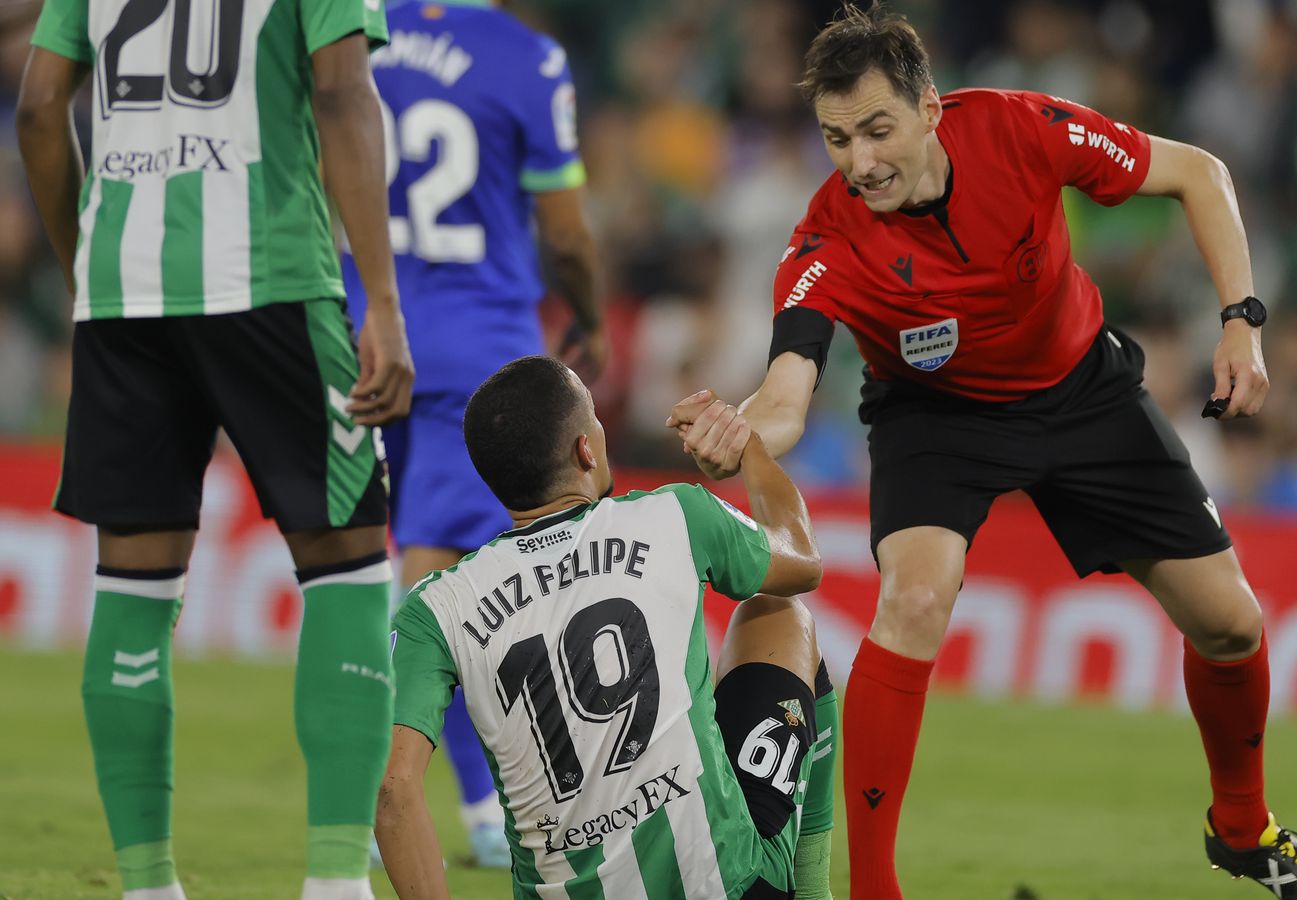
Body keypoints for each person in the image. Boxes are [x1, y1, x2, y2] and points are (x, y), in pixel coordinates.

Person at [667, 4, 1297, 899]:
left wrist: (1242, 321)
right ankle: (873, 889)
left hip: (1083, 389)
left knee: (1232, 624)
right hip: (936, 418)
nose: (861, 161)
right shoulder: (826, 239)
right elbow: (787, 397)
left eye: (878, 129)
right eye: (837, 138)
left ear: (930, 107)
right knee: (911, 600)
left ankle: (1242, 830)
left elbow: (1200, 172)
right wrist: (738, 433)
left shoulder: (1021, 127)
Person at [16, 0, 412, 896]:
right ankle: (336, 882)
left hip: (123, 295)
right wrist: (381, 301)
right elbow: (345, 92)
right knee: (346, 559)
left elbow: (41, 104)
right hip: (269, 278)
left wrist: (87, 264)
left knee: (133, 584)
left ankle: (149, 883)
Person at [376, 356, 838, 900]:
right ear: (585, 449)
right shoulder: (676, 515)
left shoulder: (434, 607)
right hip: (725, 888)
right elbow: (802, 558)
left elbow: (394, 793)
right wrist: (748, 447)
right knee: (778, 614)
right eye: (593, 416)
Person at [340, 0, 603, 868]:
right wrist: (592, 317)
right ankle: (391, 802)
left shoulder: (352, 34)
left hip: (358, 333)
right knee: (445, 584)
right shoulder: (525, 57)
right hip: (473, 356)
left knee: (397, 569)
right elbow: (564, 229)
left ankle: (480, 807)